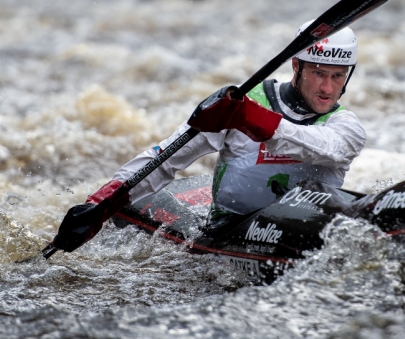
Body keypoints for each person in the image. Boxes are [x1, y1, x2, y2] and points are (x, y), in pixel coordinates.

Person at [85, 20, 366, 229]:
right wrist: (98, 204)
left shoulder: (345, 126)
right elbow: (166, 159)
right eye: (318, 74)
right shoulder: (244, 103)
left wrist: (251, 118)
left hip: (304, 228)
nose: (328, 87)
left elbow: (324, 148)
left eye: (338, 76)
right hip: (230, 230)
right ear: (296, 66)